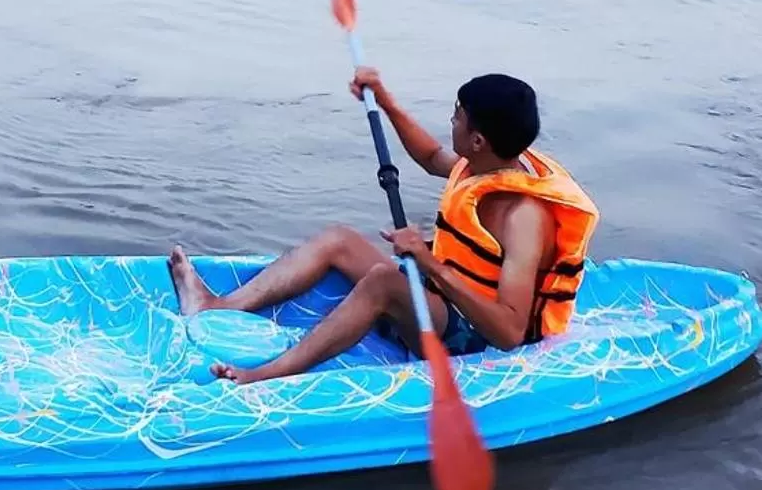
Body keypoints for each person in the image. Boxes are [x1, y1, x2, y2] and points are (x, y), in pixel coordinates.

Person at [168, 68, 598, 384]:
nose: (451, 121)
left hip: (474, 338)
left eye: (457, 116)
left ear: (478, 140)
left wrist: (429, 264)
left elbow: (508, 332)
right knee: (340, 239)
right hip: (440, 297)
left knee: (382, 282)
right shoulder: (481, 164)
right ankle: (215, 307)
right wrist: (386, 102)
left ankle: (264, 375)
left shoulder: (524, 218)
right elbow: (431, 157)